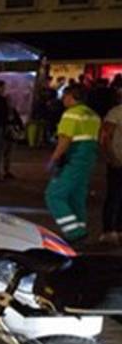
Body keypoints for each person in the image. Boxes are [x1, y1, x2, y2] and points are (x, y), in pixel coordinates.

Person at [45, 84, 100, 245]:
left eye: (64, 96)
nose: (62, 99)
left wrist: (54, 159)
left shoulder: (71, 114)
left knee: (54, 195)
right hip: (88, 157)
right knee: (77, 196)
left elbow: (65, 139)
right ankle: (80, 230)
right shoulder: (93, 114)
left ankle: (74, 232)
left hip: (73, 157)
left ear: (71, 97)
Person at [101, 88, 122, 243]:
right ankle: (109, 229)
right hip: (118, 160)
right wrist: (111, 157)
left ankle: (118, 229)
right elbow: (105, 136)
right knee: (114, 196)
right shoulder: (116, 112)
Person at [3, 104, 24, 179]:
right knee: (7, 153)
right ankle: (5, 170)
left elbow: (19, 121)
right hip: (8, 134)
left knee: (6, 153)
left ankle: (4, 170)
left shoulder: (8, 110)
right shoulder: (11, 110)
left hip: (6, 134)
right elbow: (19, 122)